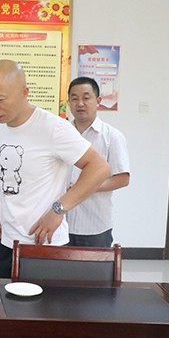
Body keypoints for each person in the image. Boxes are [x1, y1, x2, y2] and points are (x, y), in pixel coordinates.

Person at [0, 60, 111, 278]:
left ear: (24, 92)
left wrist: (59, 209)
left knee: (44, 301)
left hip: (47, 246)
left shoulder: (53, 128)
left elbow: (99, 168)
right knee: (0, 299)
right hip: (6, 243)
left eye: (0, 99)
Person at [66, 77, 130, 247]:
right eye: (74, 98)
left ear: (98, 101)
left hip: (95, 226)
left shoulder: (112, 136)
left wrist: (86, 187)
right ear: (69, 102)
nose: (80, 103)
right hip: (60, 224)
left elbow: (123, 178)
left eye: (86, 98)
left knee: (94, 266)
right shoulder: (61, 135)